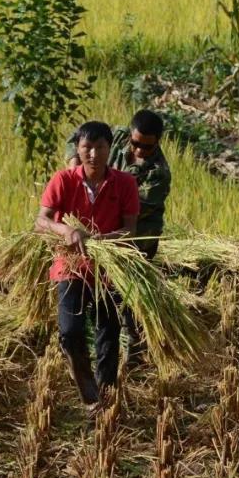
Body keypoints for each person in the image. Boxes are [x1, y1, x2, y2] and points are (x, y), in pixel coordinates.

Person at [38, 121, 139, 406]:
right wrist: (66, 231)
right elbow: (41, 221)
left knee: (108, 333)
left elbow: (131, 229)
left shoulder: (125, 183)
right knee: (70, 332)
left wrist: (102, 241)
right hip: (70, 265)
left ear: (110, 149)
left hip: (109, 269)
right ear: (78, 149)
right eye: (87, 147)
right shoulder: (63, 180)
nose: (93, 154)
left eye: (100, 147)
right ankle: (89, 392)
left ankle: (105, 398)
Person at [67, 109, 170, 363]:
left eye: (147, 147)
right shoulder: (117, 135)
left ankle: (134, 347)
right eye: (135, 144)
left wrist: (95, 198)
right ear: (129, 135)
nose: (138, 151)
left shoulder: (158, 173)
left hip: (136, 239)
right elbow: (77, 138)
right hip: (98, 229)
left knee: (127, 292)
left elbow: (131, 209)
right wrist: (74, 166)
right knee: (91, 284)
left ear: (157, 142)